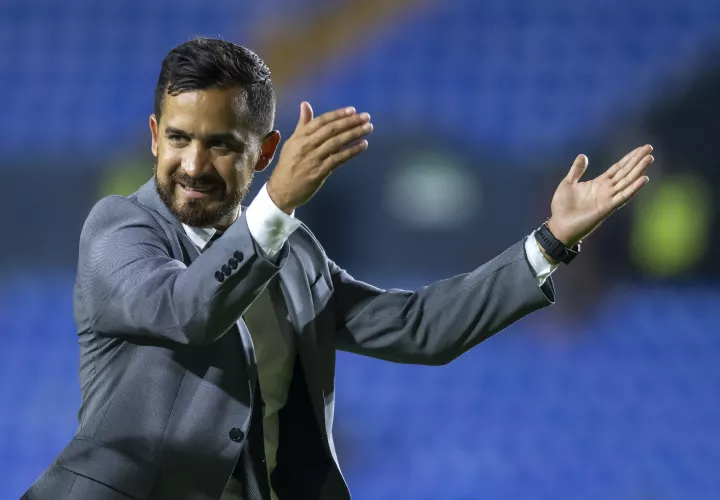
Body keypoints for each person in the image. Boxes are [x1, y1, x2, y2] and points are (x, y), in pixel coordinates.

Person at [23, 37, 654, 500]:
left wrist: (551, 241)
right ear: (155, 136)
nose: (193, 163)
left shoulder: (291, 256)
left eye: (220, 144)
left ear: (265, 150)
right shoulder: (120, 231)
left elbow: (417, 329)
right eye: (180, 139)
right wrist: (276, 203)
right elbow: (190, 313)